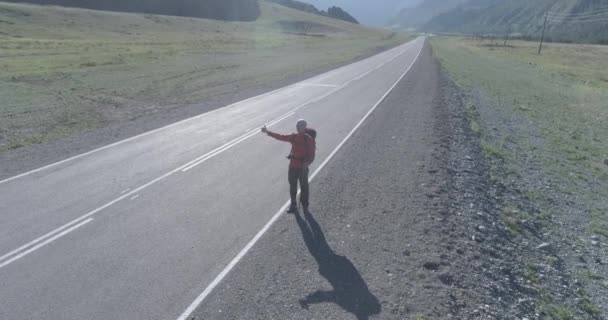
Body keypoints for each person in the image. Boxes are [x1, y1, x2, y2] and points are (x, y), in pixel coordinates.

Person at [262, 119, 316, 213]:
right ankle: (293, 204)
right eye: (297, 126)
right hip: (293, 166)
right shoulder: (293, 137)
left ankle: (304, 203)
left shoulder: (309, 139)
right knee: (292, 186)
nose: (298, 127)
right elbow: (280, 137)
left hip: (302, 168)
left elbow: (312, 155)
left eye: (300, 126)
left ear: (304, 127)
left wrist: (306, 164)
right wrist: (268, 132)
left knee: (304, 186)